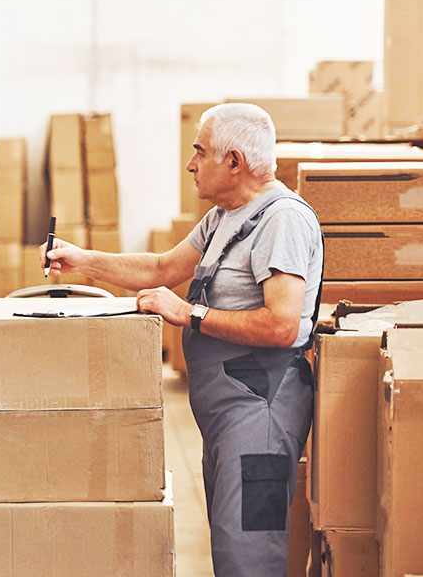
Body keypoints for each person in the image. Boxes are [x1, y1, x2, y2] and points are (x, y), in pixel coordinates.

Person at [42, 103, 323, 576]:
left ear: (234, 161)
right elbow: (161, 269)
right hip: (230, 415)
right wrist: (82, 260)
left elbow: (283, 325)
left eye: (200, 151)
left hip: (262, 418)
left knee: (249, 557)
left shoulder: (282, 221)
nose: (190, 163)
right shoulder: (224, 217)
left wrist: (188, 313)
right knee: (232, 551)